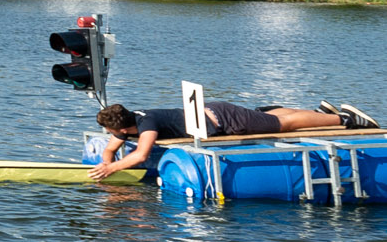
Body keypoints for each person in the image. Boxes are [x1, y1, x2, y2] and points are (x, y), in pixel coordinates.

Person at [90, 99, 352, 182]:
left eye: (110, 130)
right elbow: (111, 149)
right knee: (272, 116)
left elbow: (141, 155)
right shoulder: (128, 123)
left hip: (225, 120)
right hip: (215, 114)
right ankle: (321, 115)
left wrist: (110, 170)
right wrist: (107, 164)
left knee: (283, 124)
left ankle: (343, 120)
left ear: (123, 129)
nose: (110, 136)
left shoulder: (146, 124)